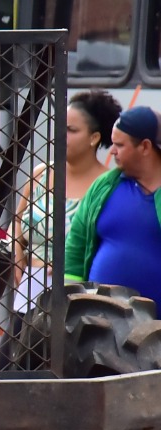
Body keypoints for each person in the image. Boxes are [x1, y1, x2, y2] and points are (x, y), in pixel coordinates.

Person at [13, 89, 122, 314]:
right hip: (28, 294)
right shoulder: (40, 174)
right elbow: (17, 221)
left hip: (79, 301)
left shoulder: (108, 186)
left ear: (94, 137)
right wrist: (18, 255)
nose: (61, 134)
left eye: (71, 130)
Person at [65, 105, 161, 304]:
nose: (112, 151)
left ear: (144, 146)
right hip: (101, 322)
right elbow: (76, 247)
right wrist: (68, 296)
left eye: (120, 145)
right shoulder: (104, 186)